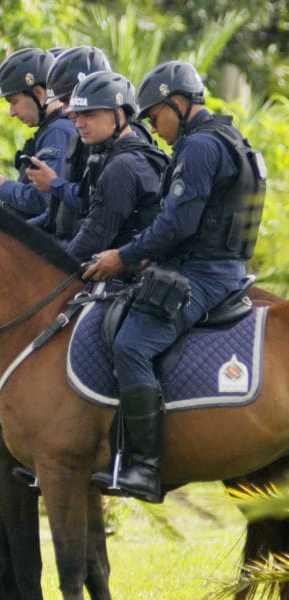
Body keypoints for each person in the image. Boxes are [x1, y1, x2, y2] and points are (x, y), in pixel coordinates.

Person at [84, 61, 267, 502]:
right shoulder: (226, 137)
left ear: (179, 103)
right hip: (219, 267)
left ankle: (145, 466)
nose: (154, 125)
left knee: (132, 344)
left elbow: (178, 224)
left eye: (155, 115)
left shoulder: (200, 147)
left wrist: (122, 257)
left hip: (204, 274)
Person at [56, 70, 169, 262]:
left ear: (118, 114)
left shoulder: (123, 166)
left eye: (89, 114)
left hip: (127, 277)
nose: (79, 124)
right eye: (78, 115)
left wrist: (56, 270)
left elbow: (95, 235)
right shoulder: (124, 155)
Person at [25, 46, 113, 243]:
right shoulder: (85, 140)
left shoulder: (125, 148)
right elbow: (57, 212)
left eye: (68, 100)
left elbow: (96, 206)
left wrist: (54, 184)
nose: (65, 110)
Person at [0, 48, 76, 220]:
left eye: (14, 102)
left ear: (38, 93)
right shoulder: (52, 130)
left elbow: (46, 200)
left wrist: (3, 187)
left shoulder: (58, 131)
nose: (12, 112)